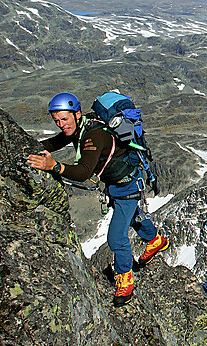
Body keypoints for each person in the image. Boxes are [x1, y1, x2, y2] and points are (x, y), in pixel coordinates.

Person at [27, 92, 169, 306]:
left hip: (128, 185)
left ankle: (125, 279)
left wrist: (54, 166)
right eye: (57, 121)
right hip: (119, 183)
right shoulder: (78, 128)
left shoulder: (93, 135)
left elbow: (84, 172)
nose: (61, 124)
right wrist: (27, 147)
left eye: (64, 119)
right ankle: (155, 240)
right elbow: (54, 142)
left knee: (116, 237)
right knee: (133, 217)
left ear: (77, 114)